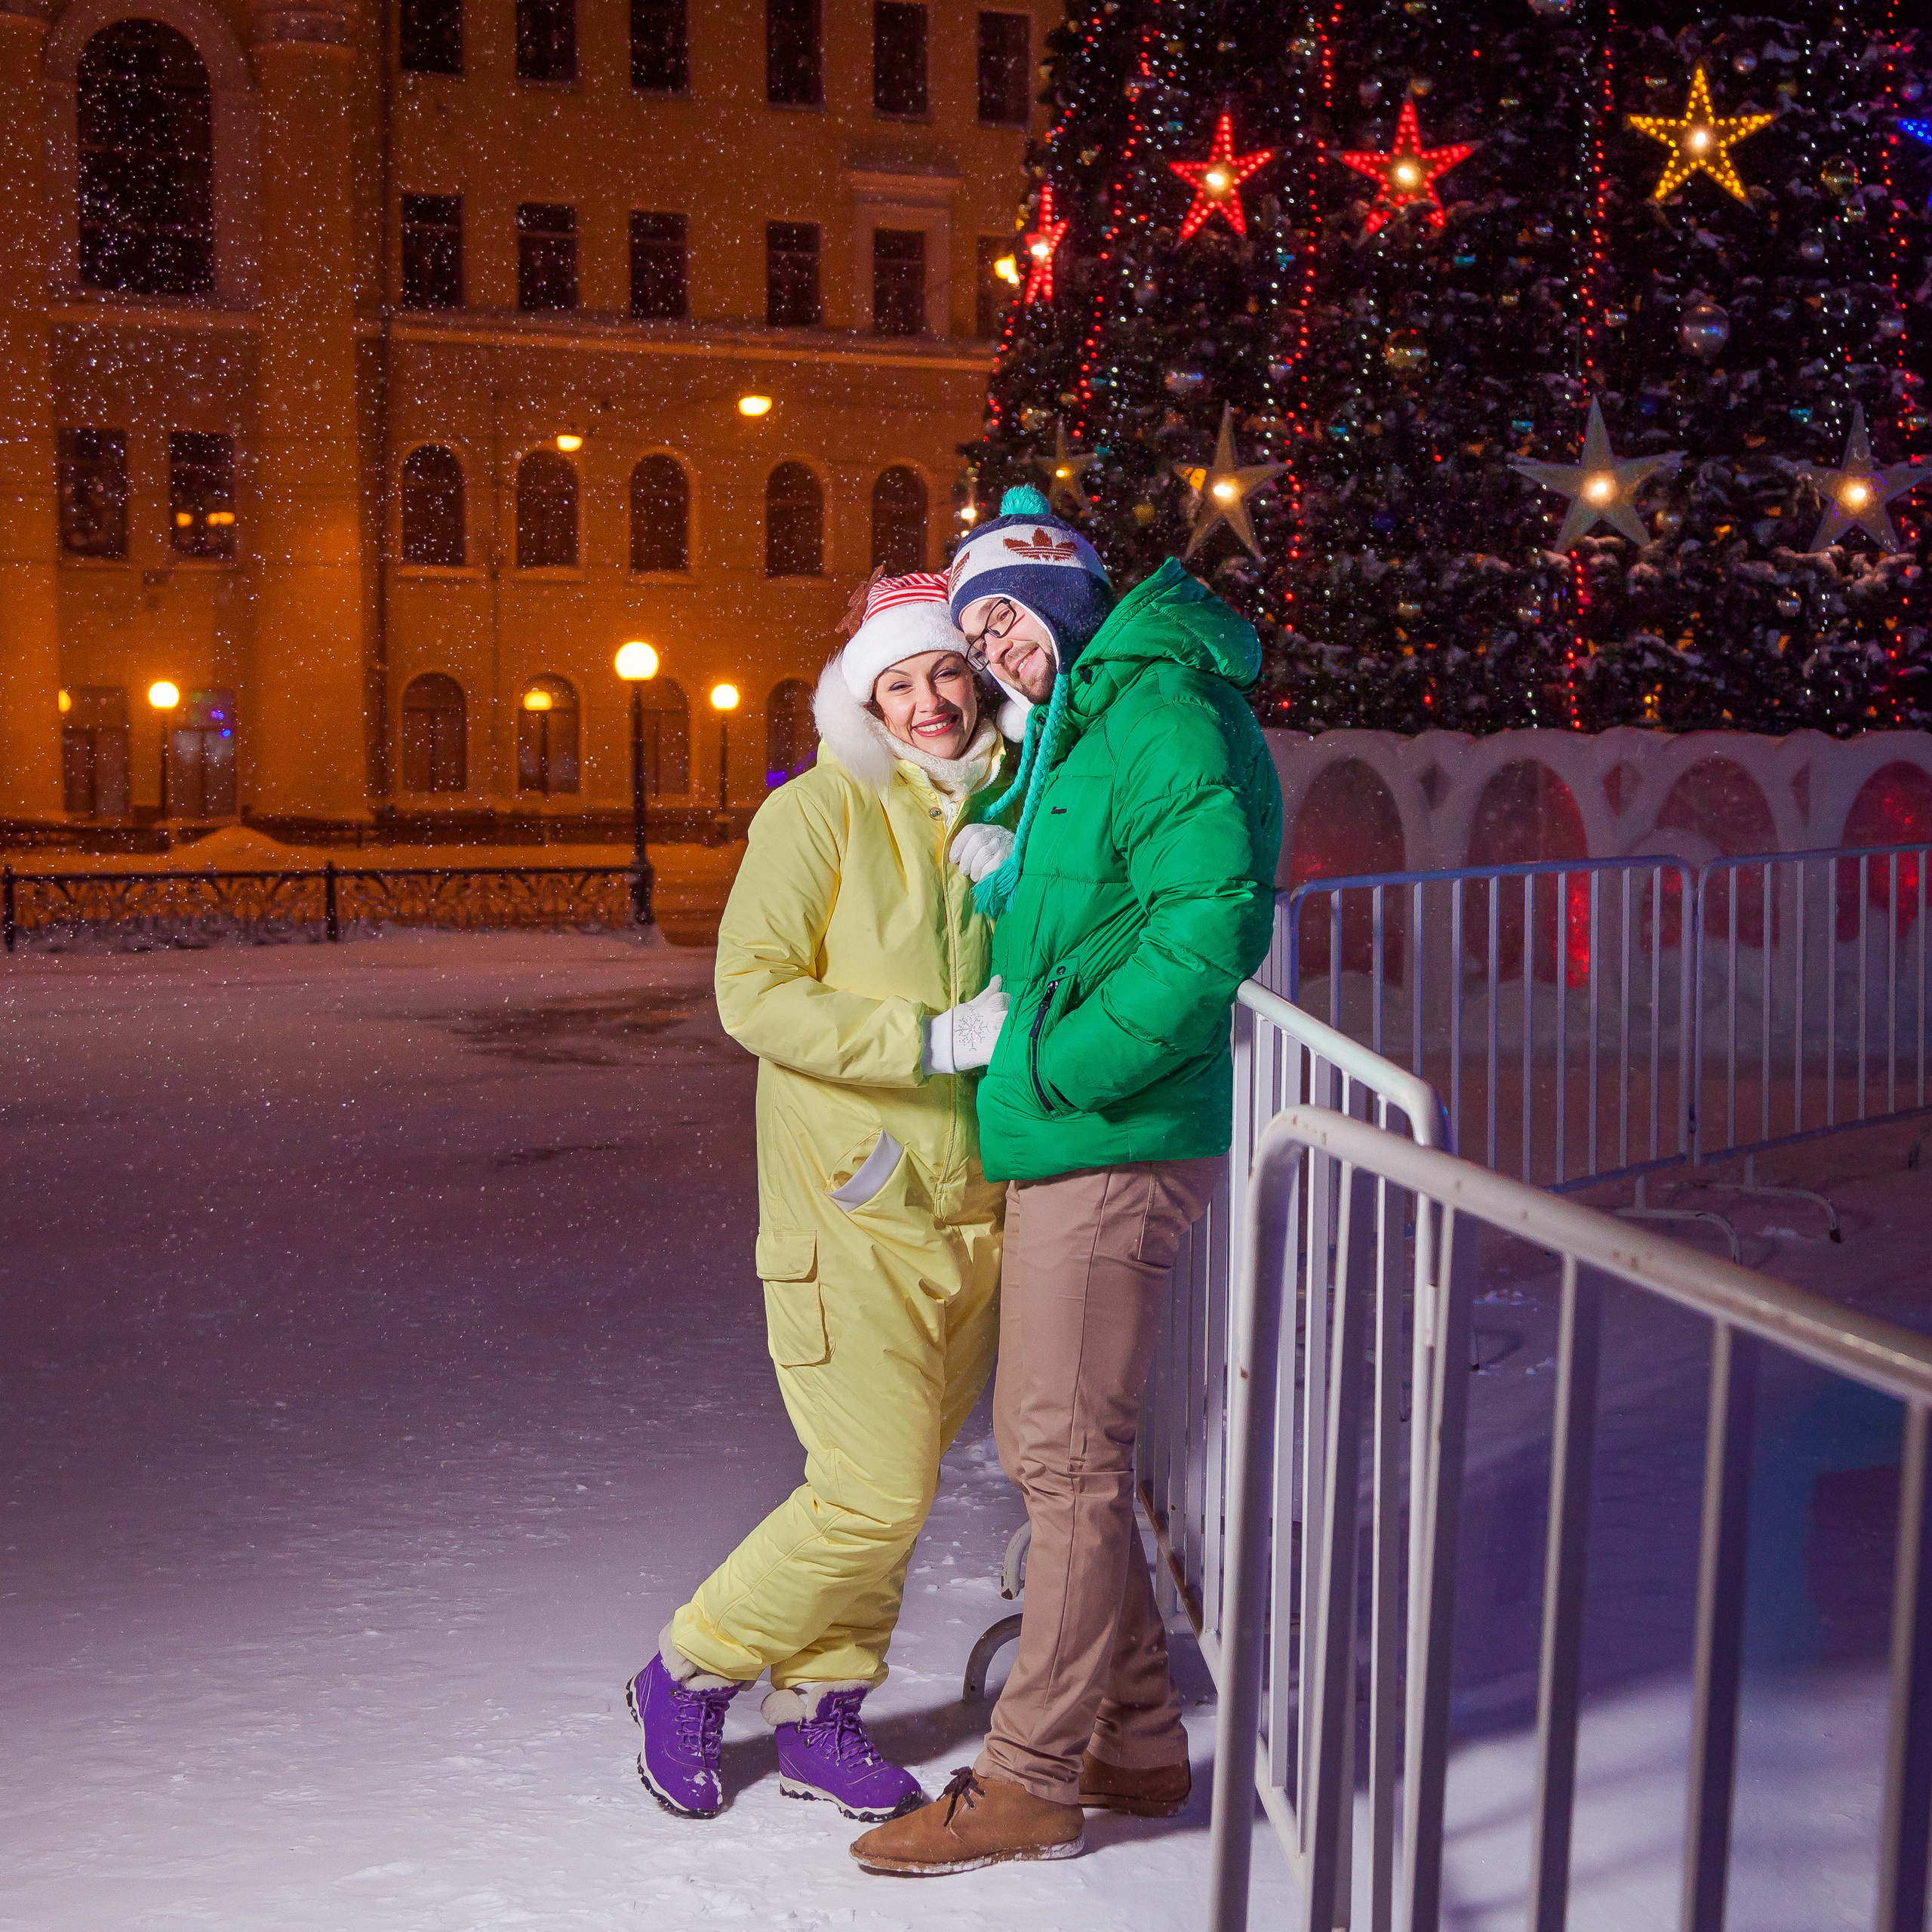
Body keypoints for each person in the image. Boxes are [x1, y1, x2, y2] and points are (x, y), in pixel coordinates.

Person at [850, 488, 1284, 1875]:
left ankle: (1034, 1775)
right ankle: (1141, 1739)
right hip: (1078, 1125)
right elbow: (1100, 894)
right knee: (1068, 1453)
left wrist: (1071, 1058)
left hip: (1111, 1131)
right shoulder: (1095, 714)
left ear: (1069, 600)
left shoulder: (1155, 702)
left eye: (1009, 618)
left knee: (1061, 1456)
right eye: (978, 630)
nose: (996, 651)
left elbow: (1211, 913)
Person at [627, 572, 1014, 1828]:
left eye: (944, 671)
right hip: (850, 1209)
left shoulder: (1011, 808)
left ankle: (821, 1713)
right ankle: (687, 1667)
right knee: (877, 1490)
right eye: (894, 683)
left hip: (977, 1211)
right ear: (863, 700)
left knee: (879, 1482)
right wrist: (932, 1037)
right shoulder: (819, 814)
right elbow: (755, 996)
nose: (927, 702)